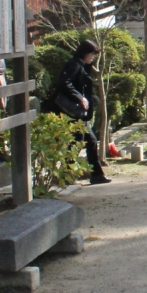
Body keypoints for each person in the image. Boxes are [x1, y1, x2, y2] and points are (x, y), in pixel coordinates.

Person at [44, 38, 111, 185]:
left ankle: (93, 174)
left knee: (86, 141)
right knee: (80, 141)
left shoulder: (81, 65)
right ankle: (69, 175)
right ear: (85, 53)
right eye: (91, 55)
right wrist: (80, 98)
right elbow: (65, 83)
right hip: (71, 110)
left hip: (77, 111)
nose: (92, 58)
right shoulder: (74, 65)